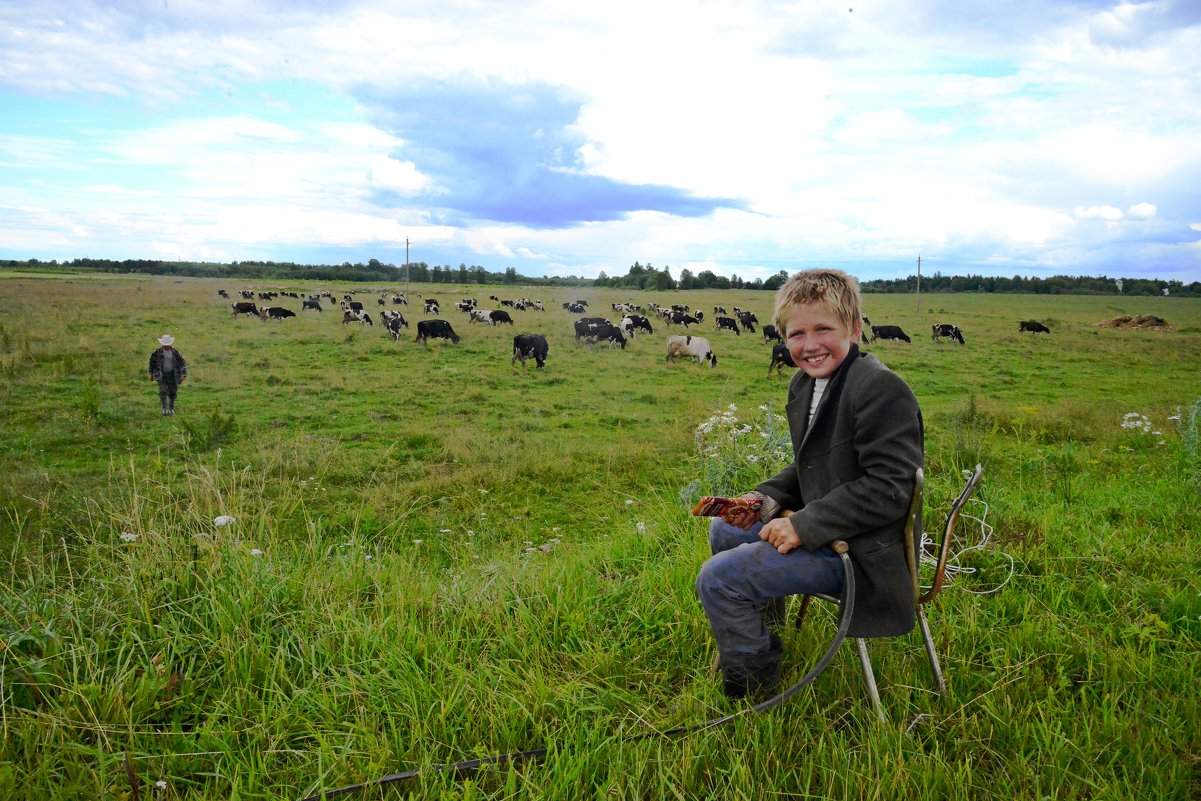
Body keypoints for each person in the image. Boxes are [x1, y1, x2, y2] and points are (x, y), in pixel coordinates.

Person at [695, 269, 924, 699]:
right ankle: (762, 631)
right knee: (725, 526)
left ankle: (753, 688)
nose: (810, 345)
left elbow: (890, 489)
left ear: (855, 329)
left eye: (824, 329)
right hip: (838, 533)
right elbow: (812, 466)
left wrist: (803, 525)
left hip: (866, 554)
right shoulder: (806, 384)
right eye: (796, 333)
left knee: (718, 578)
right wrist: (762, 499)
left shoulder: (880, 389)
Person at [148, 334, 187, 415]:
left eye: (167, 344)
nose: (166, 346)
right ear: (162, 344)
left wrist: (183, 374)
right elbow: (151, 363)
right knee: (162, 391)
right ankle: (164, 408)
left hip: (173, 375)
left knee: (173, 392)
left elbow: (182, 363)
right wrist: (150, 373)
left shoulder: (175, 353)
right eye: (164, 344)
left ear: (170, 344)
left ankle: (171, 408)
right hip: (161, 375)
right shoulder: (156, 352)